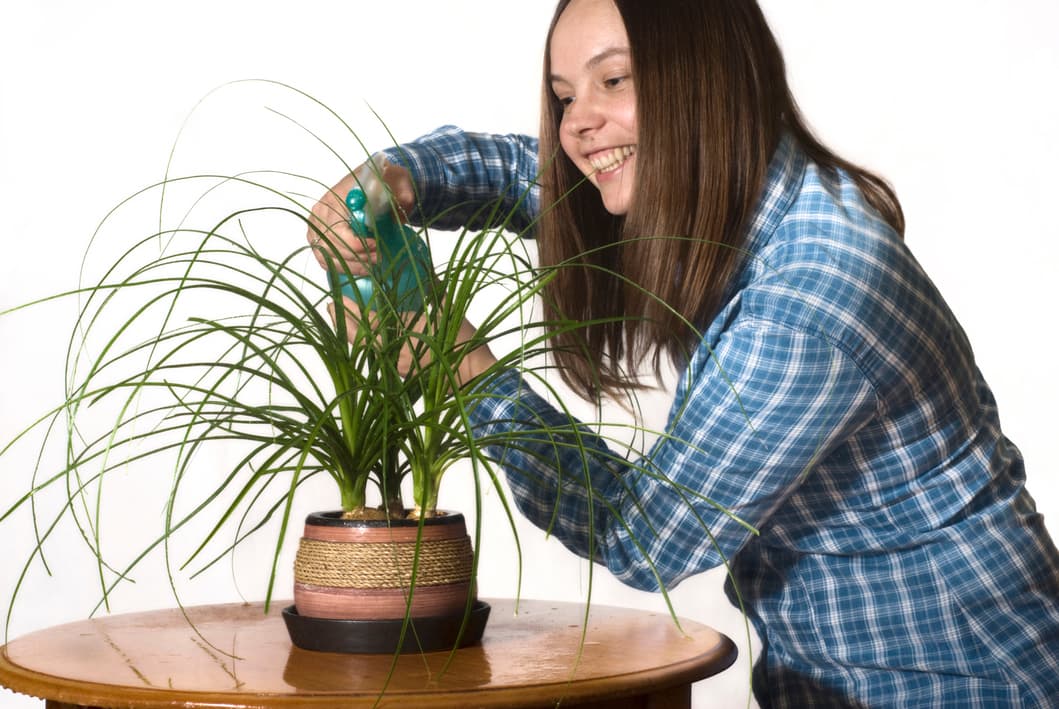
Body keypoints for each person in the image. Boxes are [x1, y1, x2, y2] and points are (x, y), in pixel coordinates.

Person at [307, 1, 1059, 705]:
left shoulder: (809, 291)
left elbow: (650, 534)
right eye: (565, 95)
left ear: (707, 80)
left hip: (957, 687)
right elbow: (542, 182)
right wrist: (403, 178)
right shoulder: (724, 198)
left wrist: (461, 368)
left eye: (614, 79)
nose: (578, 125)